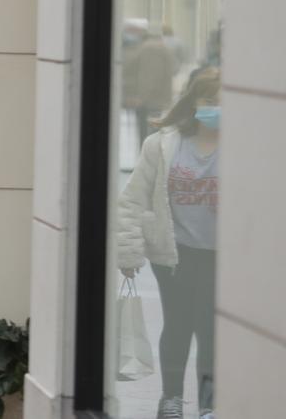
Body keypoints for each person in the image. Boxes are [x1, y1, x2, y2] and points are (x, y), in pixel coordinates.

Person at [117, 68, 220, 419]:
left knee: (211, 330)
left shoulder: (246, 148)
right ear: (193, 102)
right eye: (209, 100)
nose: (216, 107)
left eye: (224, 101)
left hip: (221, 257)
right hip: (174, 255)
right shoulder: (163, 145)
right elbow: (133, 200)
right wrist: (129, 251)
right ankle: (171, 399)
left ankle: (209, 405)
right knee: (178, 326)